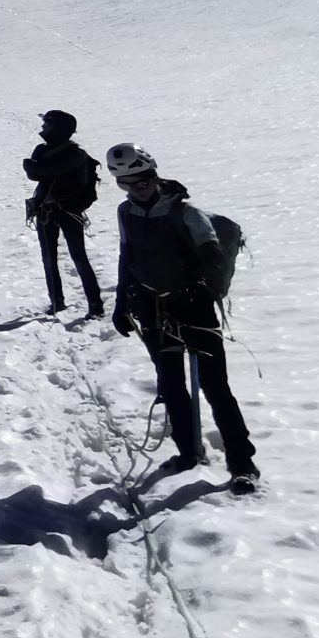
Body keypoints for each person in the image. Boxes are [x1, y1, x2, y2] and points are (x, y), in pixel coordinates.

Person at [107, 142, 260, 493]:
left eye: (141, 181)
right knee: (172, 386)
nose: (135, 189)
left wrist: (201, 289)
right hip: (152, 309)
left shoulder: (186, 212)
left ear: (154, 174)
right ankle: (189, 453)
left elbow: (214, 257)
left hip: (194, 308)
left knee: (216, 388)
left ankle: (242, 463)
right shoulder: (125, 212)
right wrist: (120, 301)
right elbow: (127, 255)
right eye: (126, 184)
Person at [22, 110, 103, 317]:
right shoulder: (65, 152)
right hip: (58, 210)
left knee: (72, 257)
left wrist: (29, 164)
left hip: (61, 210)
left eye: (47, 125)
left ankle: (92, 305)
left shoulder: (73, 155)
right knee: (61, 257)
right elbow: (36, 173)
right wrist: (33, 165)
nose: (43, 129)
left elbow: (38, 172)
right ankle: (62, 302)